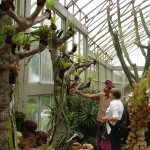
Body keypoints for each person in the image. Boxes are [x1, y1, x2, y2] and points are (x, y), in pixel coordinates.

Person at [72, 80, 115, 150]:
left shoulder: (113, 98)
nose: (105, 87)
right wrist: (78, 92)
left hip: (107, 122)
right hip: (99, 120)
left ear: (110, 89)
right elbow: (89, 96)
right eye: (105, 86)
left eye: (106, 87)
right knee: (99, 137)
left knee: (106, 139)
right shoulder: (101, 95)